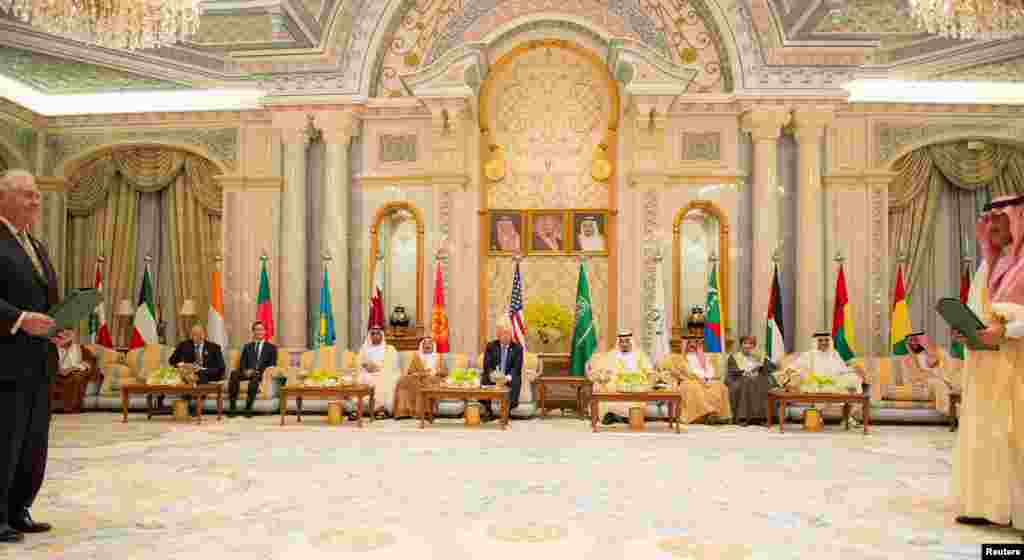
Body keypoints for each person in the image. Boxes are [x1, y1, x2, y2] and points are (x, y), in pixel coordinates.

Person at [951, 194, 1024, 529]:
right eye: (989, 220)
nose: (992, 226)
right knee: (987, 435)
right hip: (986, 369)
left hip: (1016, 369)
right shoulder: (987, 265)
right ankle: (986, 505)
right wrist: (967, 332)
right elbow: (979, 315)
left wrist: (1007, 331)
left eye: (1001, 219)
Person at [0, 169, 64, 542]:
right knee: (4, 440)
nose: (36, 201)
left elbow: (45, 299)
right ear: (3, 198)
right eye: (27, 194)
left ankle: (18, 508)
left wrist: (59, 327)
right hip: (6, 364)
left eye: (37, 195)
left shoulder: (35, 244)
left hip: (40, 362)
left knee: (33, 441)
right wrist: (20, 319)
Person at [660, 335, 732, 424]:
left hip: (707, 380)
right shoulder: (678, 358)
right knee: (694, 387)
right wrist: (696, 379)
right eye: (690, 343)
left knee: (720, 386)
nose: (692, 346)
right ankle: (707, 414)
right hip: (688, 381)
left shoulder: (704, 357)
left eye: (695, 344)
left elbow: (711, 371)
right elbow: (673, 371)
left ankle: (718, 416)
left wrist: (707, 379)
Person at [588, 331, 653, 425]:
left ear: (632, 342)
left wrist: (649, 383)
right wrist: (602, 377)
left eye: (627, 341)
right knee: (602, 388)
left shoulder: (640, 355)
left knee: (636, 394)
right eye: (621, 342)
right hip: (614, 385)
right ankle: (611, 415)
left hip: (635, 385)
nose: (624, 344)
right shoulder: (611, 355)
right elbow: (602, 370)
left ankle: (623, 417)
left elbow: (650, 372)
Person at [165, 324, 226, 413]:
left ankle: (196, 408)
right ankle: (187, 404)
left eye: (199, 334)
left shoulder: (214, 347)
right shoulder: (184, 345)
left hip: (208, 373)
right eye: (194, 334)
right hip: (189, 373)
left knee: (200, 375)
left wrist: (203, 370)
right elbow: (171, 360)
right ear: (191, 335)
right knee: (188, 375)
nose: (196, 337)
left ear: (204, 335)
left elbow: (221, 367)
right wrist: (182, 365)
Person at [900, 331, 959, 417]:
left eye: (916, 340)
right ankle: (948, 411)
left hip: (943, 379)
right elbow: (911, 378)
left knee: (954, 382)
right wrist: (929, 375)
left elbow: (948, 368)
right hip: (925, 383)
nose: (913, 343)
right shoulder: (907, 360)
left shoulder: (940, 352)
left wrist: (929, 352)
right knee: (938, 383)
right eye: (910, 341)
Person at [227, 321, 277, 417]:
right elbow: (242, 362)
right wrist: (246, 370)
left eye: (261, 329)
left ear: (265, 332)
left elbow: (272, 365)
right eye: (256, 330)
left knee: (255, 378)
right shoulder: (247, 347)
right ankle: (232, 407)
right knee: (234, 373)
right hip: (247, 372)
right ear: (253, 332)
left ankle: (248, 408)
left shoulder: (271, 348)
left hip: (260, 374)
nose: (259, 332)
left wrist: (256, 371)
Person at [725, 335, 777, 426]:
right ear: (741, 345)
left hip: (756, 377)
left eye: (751, 344)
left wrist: (763, 360)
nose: (748, 346)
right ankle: (743, 418)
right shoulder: (734, 357)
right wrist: (745, 372)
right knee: (747, 382)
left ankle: (762, 417)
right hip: (740, 378)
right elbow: (732, 371)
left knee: (763, 381)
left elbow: (772, 368)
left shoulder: (757, 356)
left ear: (754, 346)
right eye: (745, 343)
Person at [394, 337, 447, 419]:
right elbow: (410, 371)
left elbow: (444, 372)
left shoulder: (438, 357)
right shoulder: (417, 357)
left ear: (433, 346)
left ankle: (425, 412)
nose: (427, 345)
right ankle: (403, 412)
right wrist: (417, 373)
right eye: (425, 343)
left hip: (433, 378)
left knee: (426, 381)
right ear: (422, 346)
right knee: (403, 380)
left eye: (429, 343)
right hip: (418, 377)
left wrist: (436, 372)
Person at [481, 318, 524, 421]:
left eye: (507, 333)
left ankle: (506, 411)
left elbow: (517, 368)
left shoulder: (518, 348)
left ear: (511, 334)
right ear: (498, 335)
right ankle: (488, 410)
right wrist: (494, 376)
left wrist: (506, 378)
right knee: (484, 377)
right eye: (502, 333)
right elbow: (487, 365)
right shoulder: (491, 346)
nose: (505, 336)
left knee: (516, 379)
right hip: (494, 377)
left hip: (508, 377)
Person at [357, 326, 400, 419]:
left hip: (384, 373)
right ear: (370, 336)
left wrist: (377, 368)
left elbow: (393, 366)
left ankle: (381, 409)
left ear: (382, 335)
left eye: (378, 333)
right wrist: (366, 367)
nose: (375, 336)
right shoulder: (364, 349)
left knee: (384, 379)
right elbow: (359, 364)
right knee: (360, 378)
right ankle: (359, 409)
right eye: (373, 334)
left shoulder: (390, 349)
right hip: (367, 374)